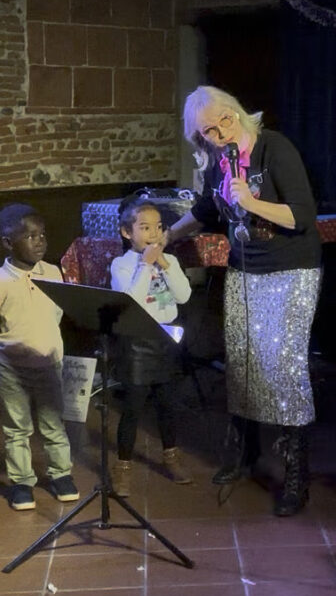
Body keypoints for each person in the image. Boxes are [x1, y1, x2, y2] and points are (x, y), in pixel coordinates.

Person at [167, 85, 322, 516]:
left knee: (284, 367)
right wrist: (169, 235)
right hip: (245, 269)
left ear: (238, 113)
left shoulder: (275, 148)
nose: (220, 134)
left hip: (291, 270)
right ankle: (244, 454)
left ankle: (295, 474)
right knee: (243, 362)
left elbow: (301, 216)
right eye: (209, 132)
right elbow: (205, 211)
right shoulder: (219, 163)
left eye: (225, 122)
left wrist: (253, 202)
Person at [0, 204, 79, 511]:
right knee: (17, 428)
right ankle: (21, 482)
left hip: (48, 363)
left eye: (42, 234)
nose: (39, 241)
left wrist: (47, 342)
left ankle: (61, 475)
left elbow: (58, 310)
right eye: (30, 236)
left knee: (53, 423)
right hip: (11, 369)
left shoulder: (52, 272)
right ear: (8, 243)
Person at [109, 195, 193, 496]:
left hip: (166, 338)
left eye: (158, 227)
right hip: (137, 342)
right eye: (144, 228)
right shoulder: (121, 265)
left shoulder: (170, 262)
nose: (153, 234)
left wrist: (165, 265)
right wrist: (145, 266)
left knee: (167, 404)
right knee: (132, 407)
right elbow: (131, 301)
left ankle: (171, 457)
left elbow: (183, 296)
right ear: (126, 232)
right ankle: (123, 468)